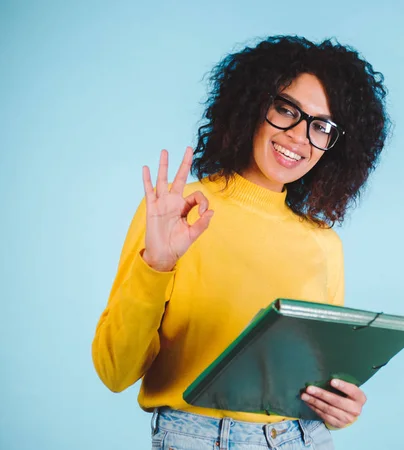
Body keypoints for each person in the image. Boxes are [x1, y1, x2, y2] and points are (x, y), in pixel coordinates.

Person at [92, 35, 388, 449]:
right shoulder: (176, 211)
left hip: (303, 438)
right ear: (253, 106)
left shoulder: (324, 243)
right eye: (287, 109)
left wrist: (340, 407)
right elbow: (114, 371)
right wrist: (156, 265)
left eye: (321, 126)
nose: (300, 137)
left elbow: (317, 377)